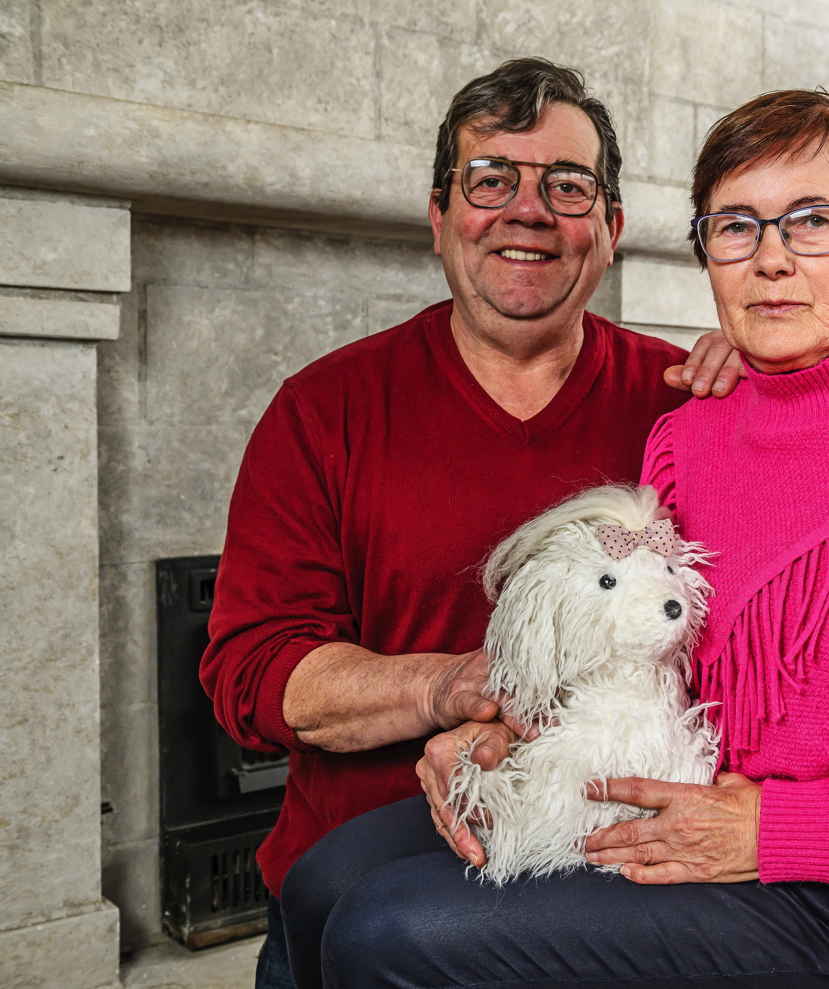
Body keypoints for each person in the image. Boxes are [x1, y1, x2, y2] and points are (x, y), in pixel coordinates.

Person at [282, 89, 829, 989]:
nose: (771, 261)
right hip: (674, 800)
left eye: (813, 223)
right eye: (736, 228)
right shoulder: (688, 436)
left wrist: (772, 831)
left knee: (389, 929)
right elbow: (649, 655)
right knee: (323, 881)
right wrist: (511, 745)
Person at [199, 58, 693, 989]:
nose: (528, 210)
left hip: (605, 899)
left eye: (568, 186)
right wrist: (453, 687)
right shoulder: (325, 409)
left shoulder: (684, 409)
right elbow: (252, 674)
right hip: (345, 893)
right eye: (491, 180)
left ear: (613, 228)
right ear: (441, 218)